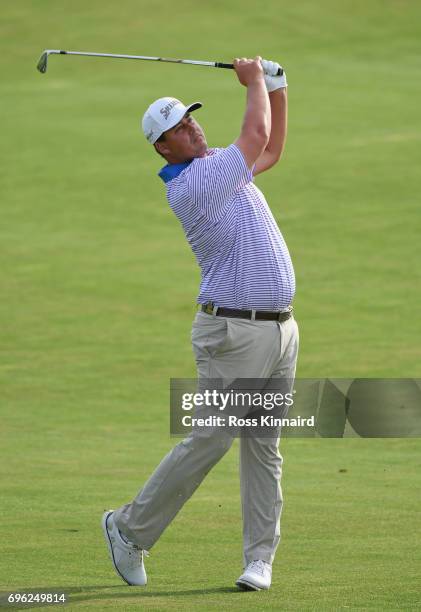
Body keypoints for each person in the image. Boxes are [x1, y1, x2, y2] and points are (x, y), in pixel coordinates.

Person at [102, 56, 299, 591]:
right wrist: (255, 80)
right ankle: (128, 528)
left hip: (278, 330)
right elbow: (256, 133)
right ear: (163, 148)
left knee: (264, 443)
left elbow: (271, 148)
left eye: (191, 119)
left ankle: (260, 559)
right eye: (179, 129)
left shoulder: (215, 163)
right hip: (233, 334)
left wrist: (277, 86)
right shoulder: (197, 183)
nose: (193, 128)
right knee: (212, 438)